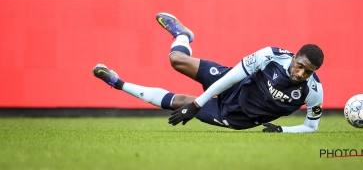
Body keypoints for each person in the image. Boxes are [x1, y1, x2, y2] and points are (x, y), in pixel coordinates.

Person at [93, 13, 324, 133]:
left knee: (181, 101)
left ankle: (117, 82)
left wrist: (281, 130)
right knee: (176, 60)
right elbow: (233, 75)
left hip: (237, 117)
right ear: (294, 57)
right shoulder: (270, 55)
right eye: (300, 65)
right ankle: (183, 35)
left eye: (308, 71)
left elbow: (311, 127)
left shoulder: (313, 92)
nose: (301, 73)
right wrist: (198, 105)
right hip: (234, 85)